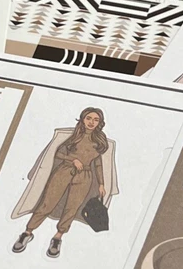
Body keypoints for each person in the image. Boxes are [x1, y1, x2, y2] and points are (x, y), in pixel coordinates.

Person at [12, 108, 115, 259]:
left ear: (100, 122)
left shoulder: (100, 140)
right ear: (82, 119)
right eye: (88, 118)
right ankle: (28, 232)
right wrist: (72, 160)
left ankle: (58, 237)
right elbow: (58, 153)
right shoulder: (75, 135)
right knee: (47, 203)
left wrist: (101, 183)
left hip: (85, 176)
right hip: (64, 172)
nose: (91, 122)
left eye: (95, 120)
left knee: (72, 207)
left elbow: (98, 163)